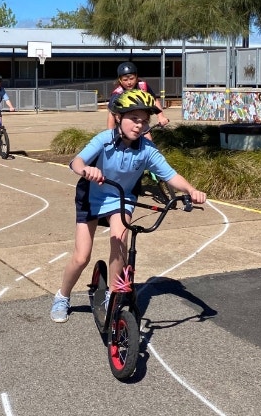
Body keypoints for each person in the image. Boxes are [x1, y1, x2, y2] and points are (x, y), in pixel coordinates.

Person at [50, 88, 206, 323]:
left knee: (119, 240)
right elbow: (76, 161)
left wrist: (191, 190)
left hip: (121, 199)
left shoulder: (147, 150)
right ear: (119, 117)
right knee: (82, 257)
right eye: (134, 119)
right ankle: (62, 296)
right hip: (91, 198)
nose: (139, 125)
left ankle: (113, 297)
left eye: (144, 121)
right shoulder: (104, 140)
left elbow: (170, 175)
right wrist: (86, 170)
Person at [106, 62, 169, 138]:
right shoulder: (117, 94)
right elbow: (112, 115)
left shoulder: (143, 87)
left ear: (136, 77)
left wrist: (161, 116)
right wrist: (110, 135)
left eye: (131, 78)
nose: (129, 82)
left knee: (148, 141)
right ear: (120, 80)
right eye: (125, 80)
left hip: (141, 122)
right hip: (124, 125)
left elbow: (154, 100)